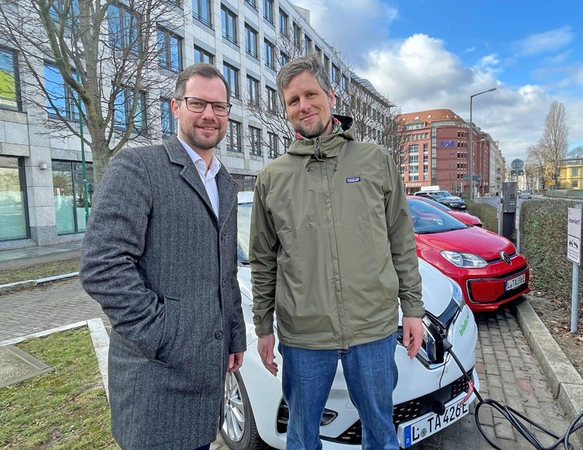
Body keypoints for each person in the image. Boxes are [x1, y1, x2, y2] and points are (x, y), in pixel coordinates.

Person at [249, 53, 425, 450]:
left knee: (381, 433)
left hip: (373, 329)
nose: (303, 106)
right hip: (304, 335)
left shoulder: (376, 161)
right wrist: (264, 326)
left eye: (310, 94)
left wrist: (412, 308)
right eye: (293, 101)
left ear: (331, 96)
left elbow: (400, 238)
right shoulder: (271, 178)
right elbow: (262, 260)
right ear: (286, 109)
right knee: (302, 434)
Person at [79, 63, 246, 450]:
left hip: (208, 382)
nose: (209, 115)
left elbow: (225, 272)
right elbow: (102, 265)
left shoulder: (224, 182)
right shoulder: (138, 167)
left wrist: (234, 335)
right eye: (197, 103)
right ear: (175, 107)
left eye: (218, 107)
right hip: (156, 384)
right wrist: (164, 335)